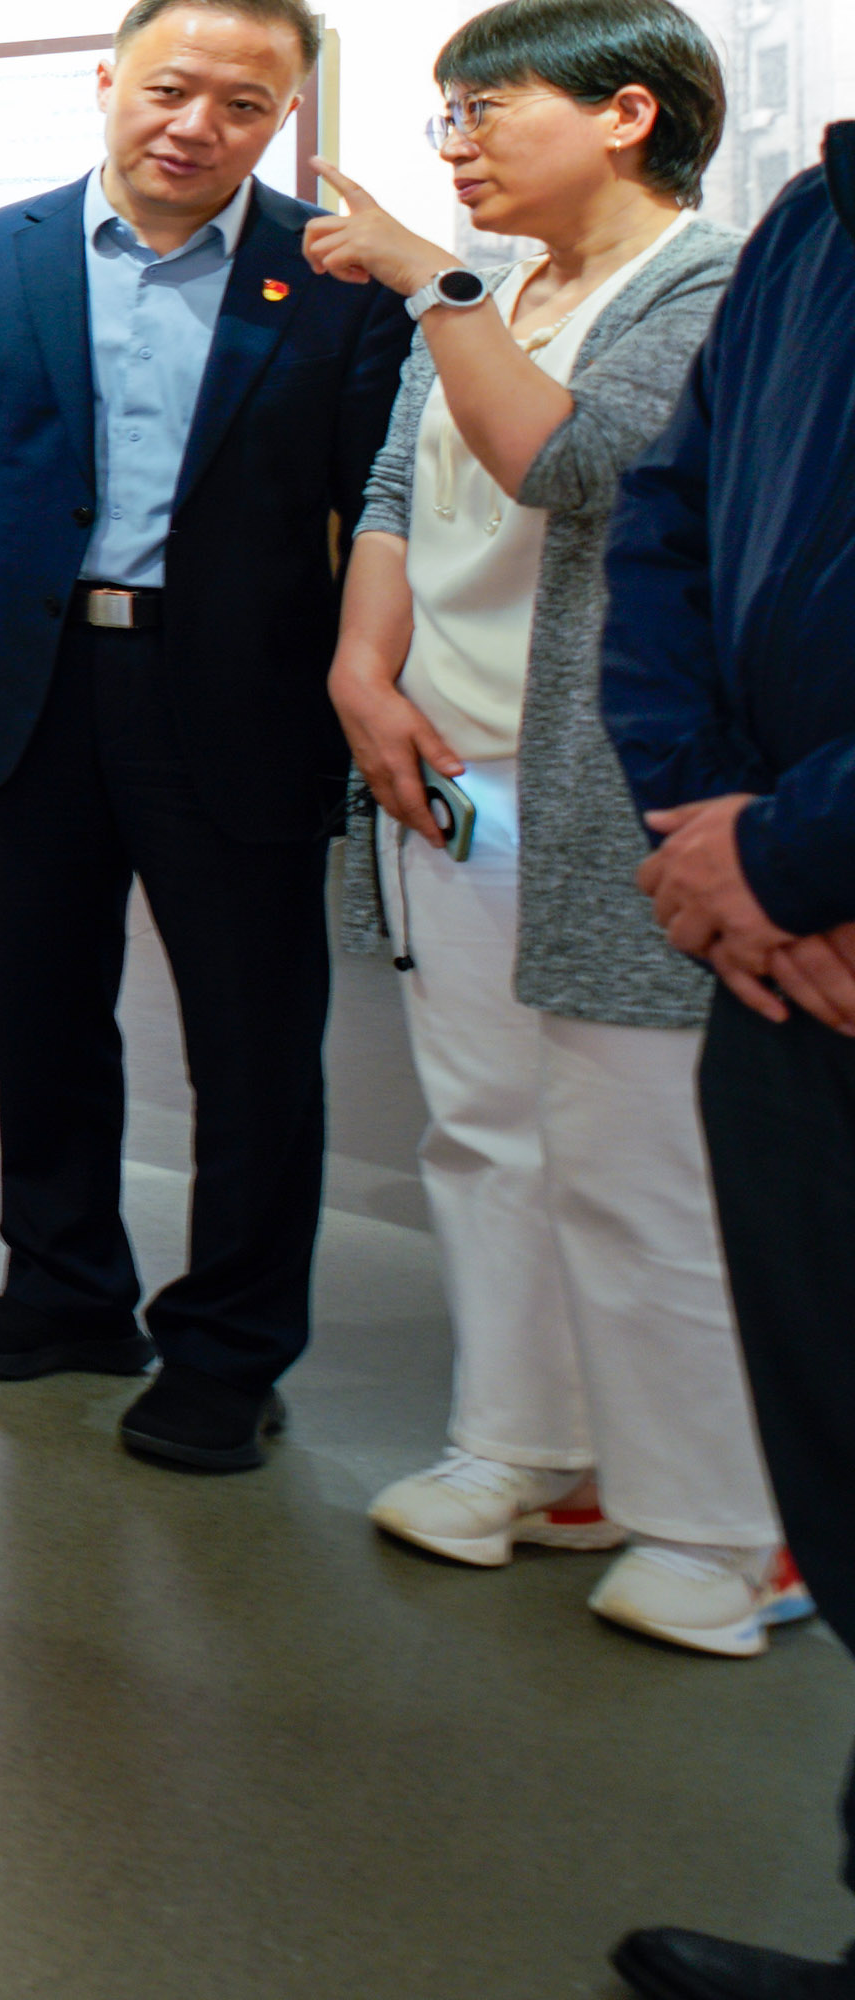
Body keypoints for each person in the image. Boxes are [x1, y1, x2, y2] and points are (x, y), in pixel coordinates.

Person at [0, 0, 407, 1471]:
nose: (195, 124)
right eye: (169, 88)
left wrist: (375, 681)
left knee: (252, 1040)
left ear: (282, 117)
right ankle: (63, 1289)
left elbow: (382, 506)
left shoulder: (332, 277)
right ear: (107, 82)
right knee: (41, 1007)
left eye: (243, 103)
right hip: (32, 686)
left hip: (241, 694)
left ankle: (230, 1348)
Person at [308, 0, 785, 1643]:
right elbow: (398, 486)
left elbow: (571, 465)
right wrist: (363, 670)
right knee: (483, 1135)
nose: (456, 146)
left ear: (628, 113)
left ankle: (722, 1529)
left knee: (640, 1161)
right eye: (446, 113)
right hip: (456, 775)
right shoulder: (498, 290)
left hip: (611, 792)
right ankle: (525, 1452)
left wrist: (428, 287)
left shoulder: (711, 287)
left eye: (487, 107)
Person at [598, 105, 855, 2000]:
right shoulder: (813, 224)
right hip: (786, 967)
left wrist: (796, 853)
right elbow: (667, 525)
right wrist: (719, 839)